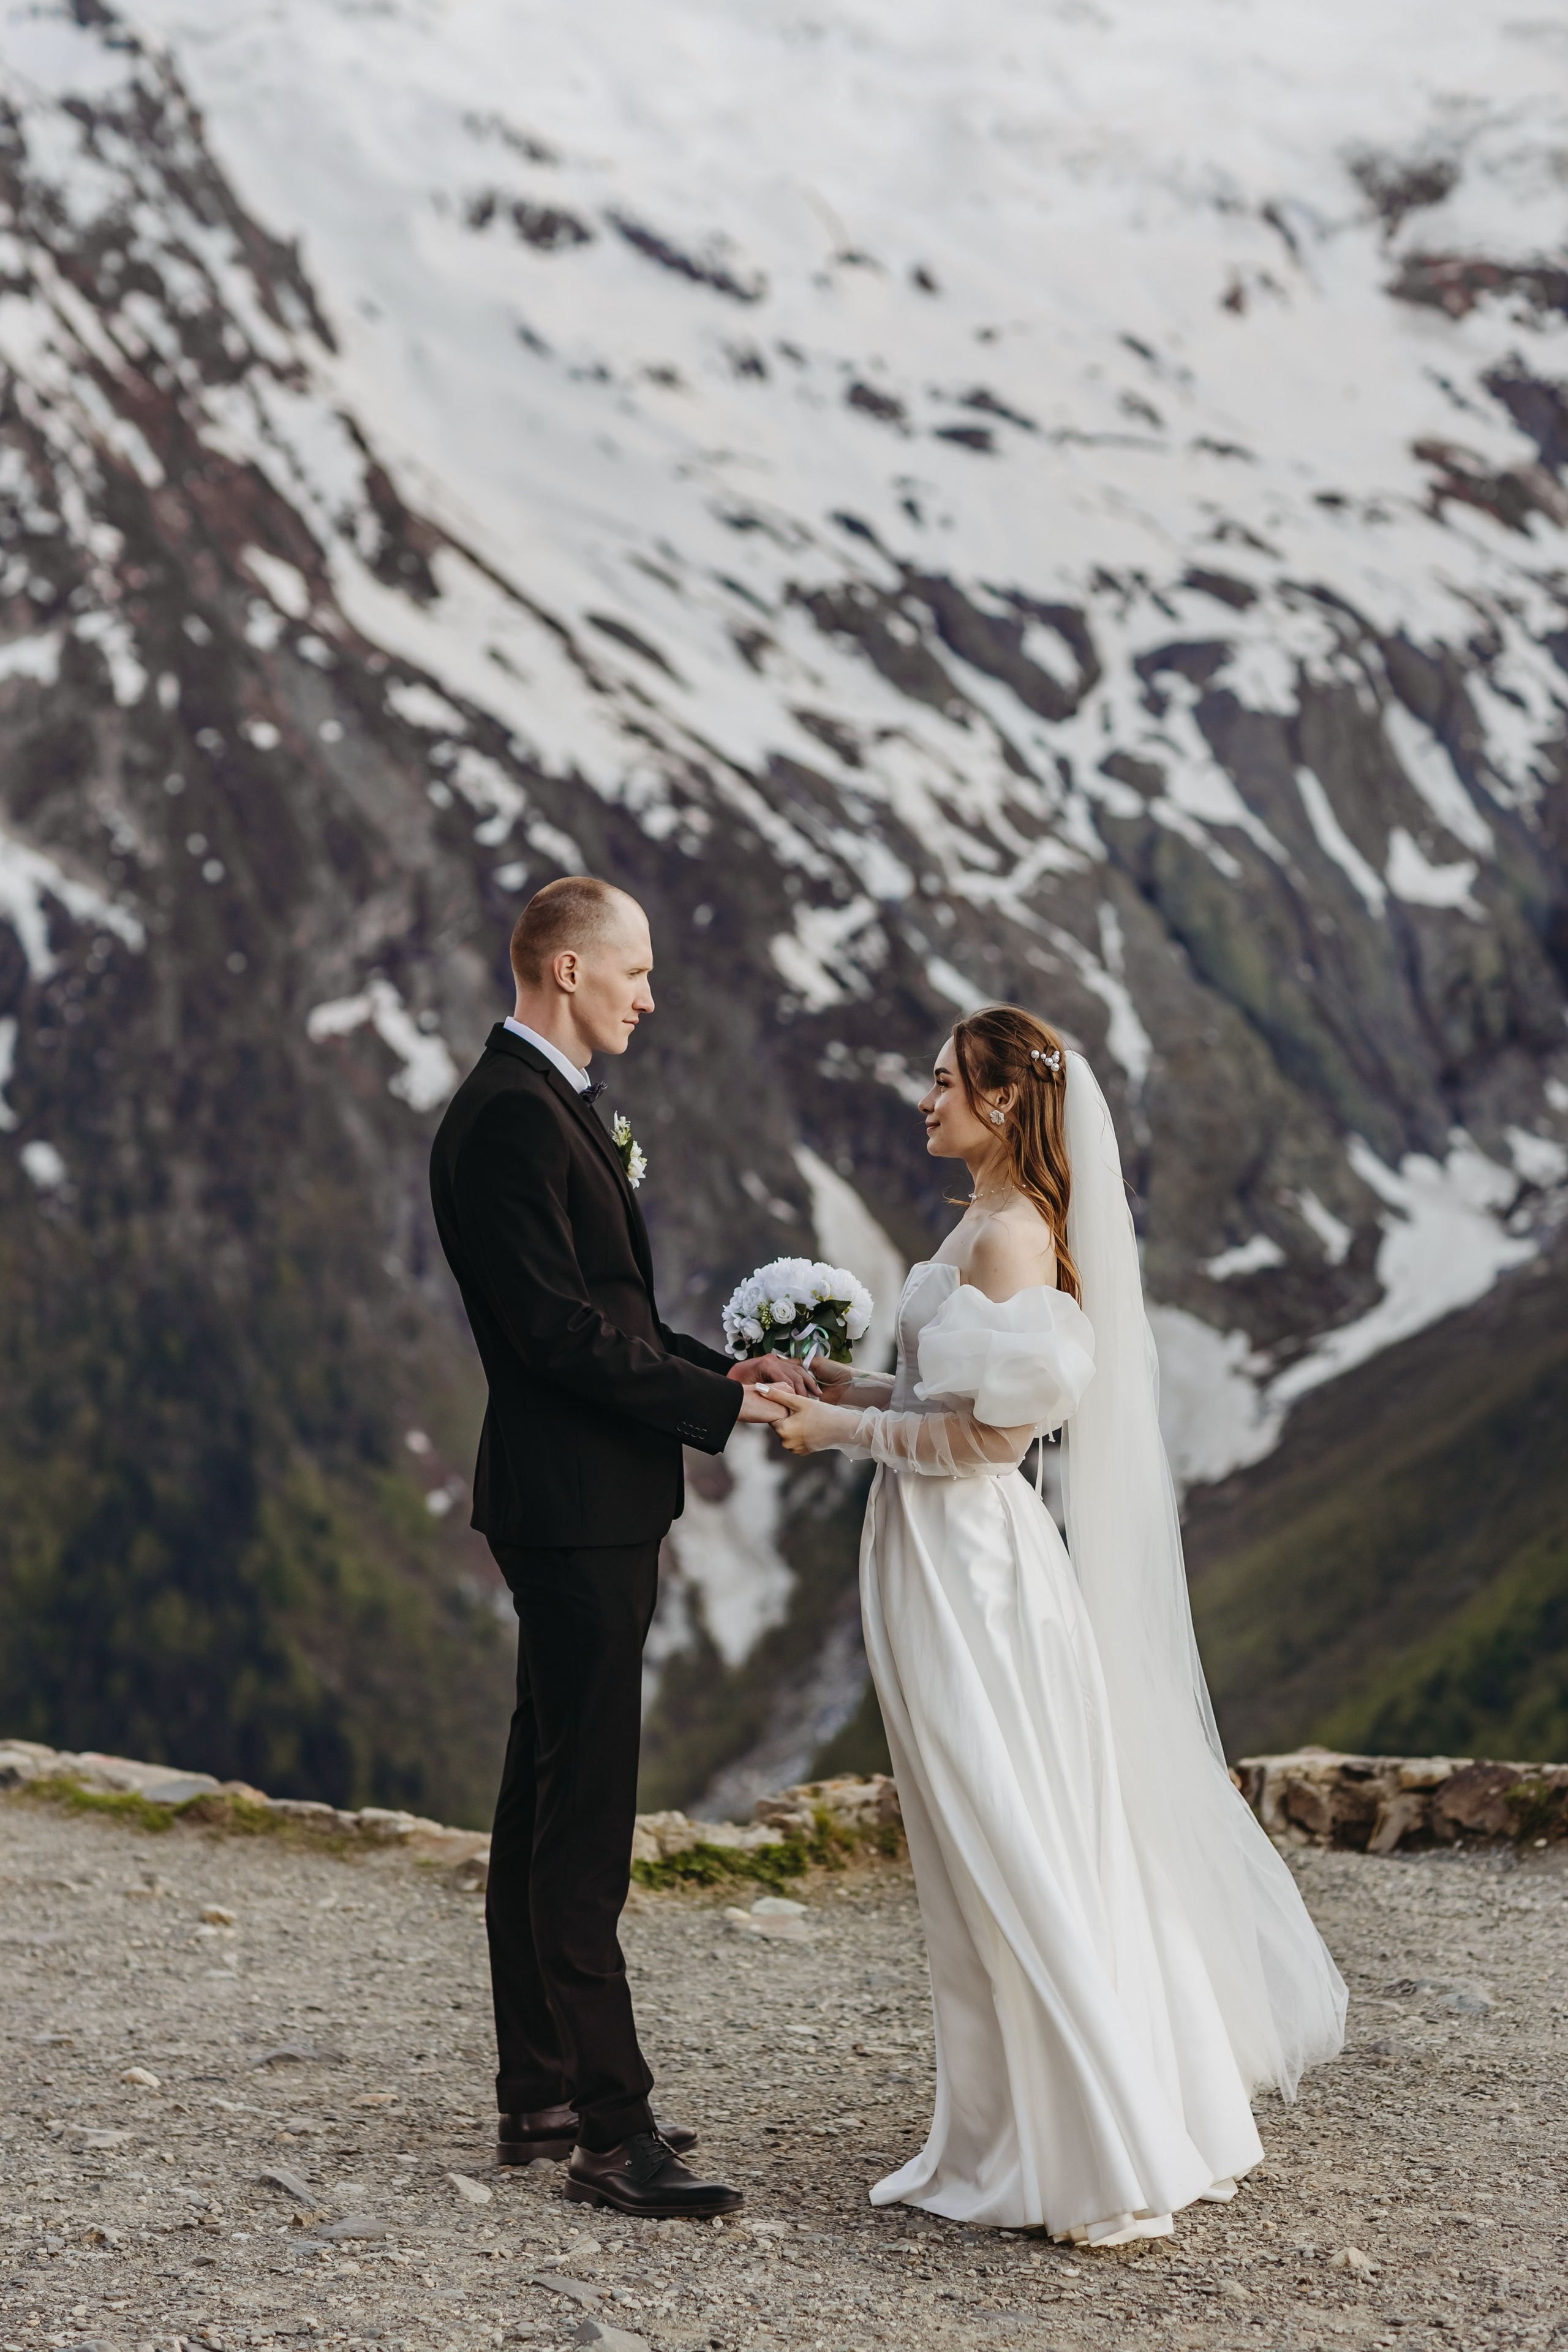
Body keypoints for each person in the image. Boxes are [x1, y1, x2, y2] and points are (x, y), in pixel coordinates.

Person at [763, 1006, 1346, 2242]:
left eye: (943, 1083)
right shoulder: (976, 1224)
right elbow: (940, 1393)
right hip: (930, 1560)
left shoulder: (1014, 1239)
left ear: (1004, 1104)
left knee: (1010, 1839)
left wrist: (840, 1434)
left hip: (973, 1573)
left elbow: (990, 1441)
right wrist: (836, 1388)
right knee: (978, 1848)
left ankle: (1092, 2144)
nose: (923, 1099)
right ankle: (1016, 2128)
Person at [429, 875, 805, 2220]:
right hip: (573, 1510)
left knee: (542, 1802)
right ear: (568, 970)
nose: (649, 995)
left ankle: (540, 2091)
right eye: (634, 971)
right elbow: (551, 1338)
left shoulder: (540, 1108)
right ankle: (609, 2132)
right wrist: (713, 1410)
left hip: (585, 1502)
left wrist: (729, 1372)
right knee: (583, 1823)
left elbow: (609, 1312)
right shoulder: (508, 1120)